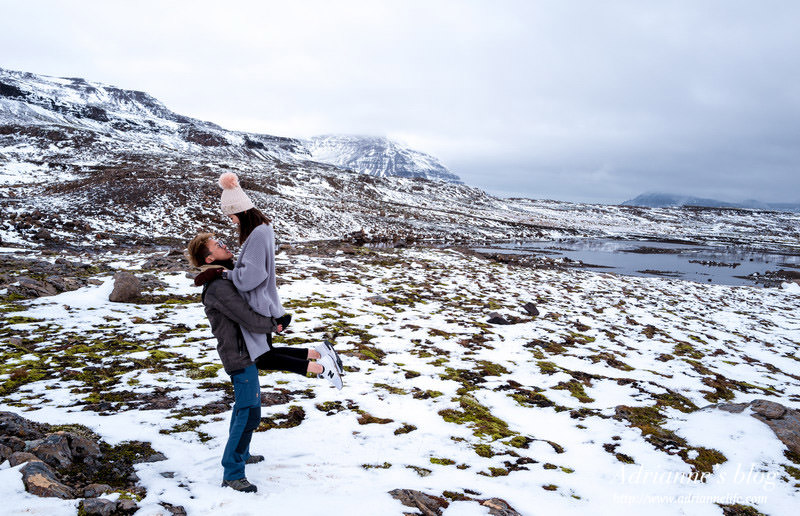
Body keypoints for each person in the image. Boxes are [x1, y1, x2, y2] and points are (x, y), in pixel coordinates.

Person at [187, 232, 341, 492]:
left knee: (250, 412)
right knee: (246, 413)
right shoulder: (218, 286)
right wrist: (275, 324)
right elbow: (246, 316)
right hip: (239, 355)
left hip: (249, 349)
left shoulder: (226, 278)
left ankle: (242, 454)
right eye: (217, 244)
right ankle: (233, 473)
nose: (224, 244)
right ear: (210, 257)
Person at [214, 171, 343, 387]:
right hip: (263, 301)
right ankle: (319, 354)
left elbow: (250, 278)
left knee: (263, 358)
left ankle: (322, 367)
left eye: (232, 216)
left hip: (256, 304)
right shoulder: (263, 229)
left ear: (241, 210)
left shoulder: (257, 234)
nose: (233, 221)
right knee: (266, 353)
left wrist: (228, 274)